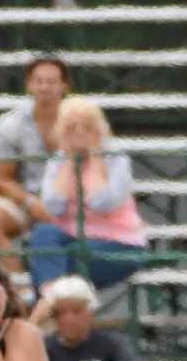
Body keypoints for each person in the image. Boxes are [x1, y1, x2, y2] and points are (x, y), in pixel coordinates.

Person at [28, 98, 149, 293]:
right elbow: (53, 207)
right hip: (73, 238)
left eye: (86, 125)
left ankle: (47, 302)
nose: (79, 131)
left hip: (119, 244)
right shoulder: (58, 160)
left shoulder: (116, 159)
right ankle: (51, 297)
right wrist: (68, 160)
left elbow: (103, 204)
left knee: (54, 264)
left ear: (99, 129)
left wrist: (95, 158)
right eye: (71, 126)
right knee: (43, 234)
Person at [0, 56, 66, 281]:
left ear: (64, 85)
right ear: (29, 84)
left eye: (51, 81)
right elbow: (1, 179)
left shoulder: (80, 121)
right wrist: (31, 202)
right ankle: (20, 290)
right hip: (26, 199)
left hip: (72, 200)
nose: (45, 87)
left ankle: (68, 294)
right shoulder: (11, 124)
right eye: (39, 81)